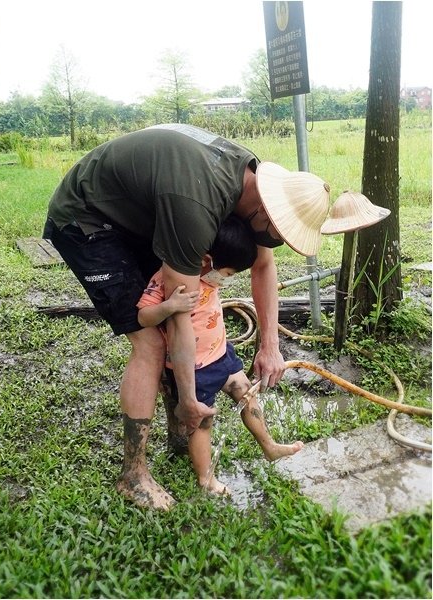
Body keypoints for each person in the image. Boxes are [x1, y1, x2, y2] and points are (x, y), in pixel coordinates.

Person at [43, 123, 371, 509]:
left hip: (146, 211)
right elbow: (181, 314)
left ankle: (179, 432)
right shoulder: (195, 207)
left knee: (171, 328)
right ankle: (133, 473)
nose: (276, 244)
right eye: (279, 234)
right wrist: (188, 397)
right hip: (89, 217)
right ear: (266, 210)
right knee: (151, 341)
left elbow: (264, 266)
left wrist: (270, 345)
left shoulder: (254, 188)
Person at [136, 216, 304, 496]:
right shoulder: (168, 280)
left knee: (247, 393)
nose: (225, 280)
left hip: (222, 353)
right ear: (206, 261)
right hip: (195, 368)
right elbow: (143, 315)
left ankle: (269, 446)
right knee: (202, 423)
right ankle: (206, 479)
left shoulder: (209, 278)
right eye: (226, 274)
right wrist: (170, 306)